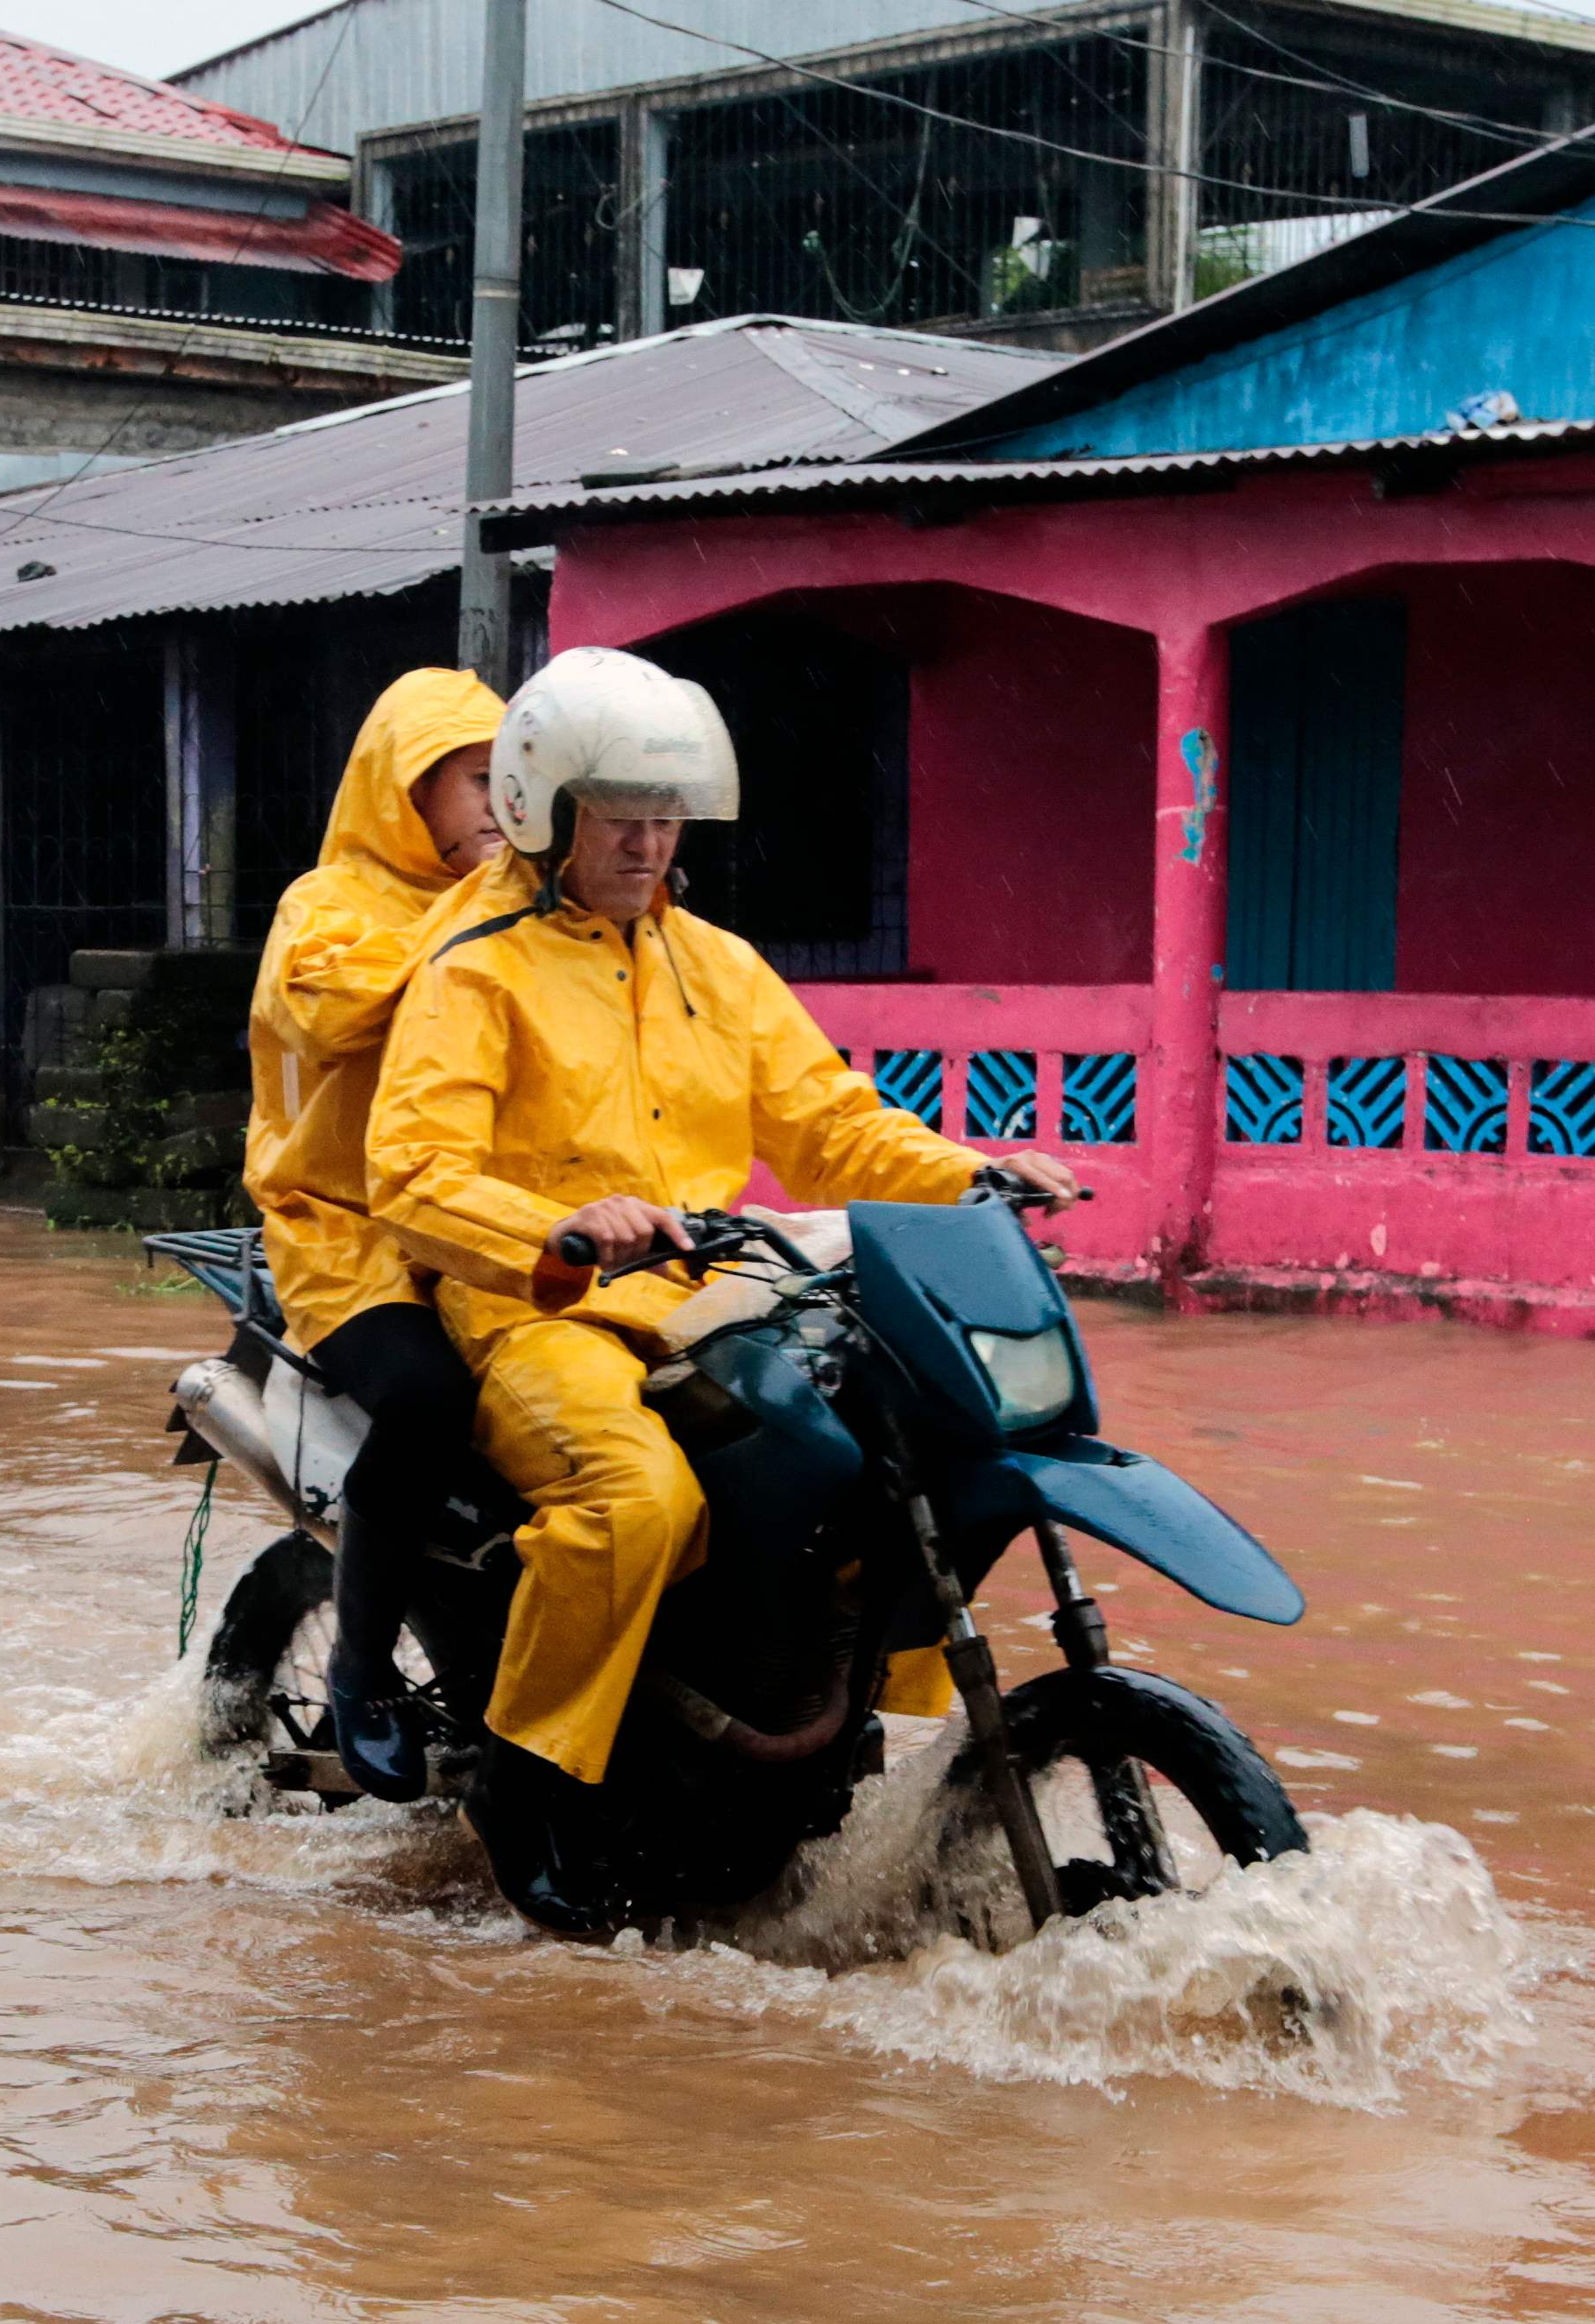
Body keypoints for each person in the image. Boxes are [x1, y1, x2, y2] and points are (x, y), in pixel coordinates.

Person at [364, 648, 1082, 1836]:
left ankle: (817, 1721)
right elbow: (413, 1177)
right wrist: (561, 1224)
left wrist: (971, 1171)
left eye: (665, 819)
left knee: (897, 1444)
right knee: (635, 1505)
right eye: (619, 822)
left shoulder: (718, 965)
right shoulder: (474, 970)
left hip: (722, 1292)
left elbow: (829, 1126)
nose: (648, 847)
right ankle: (526, 1791)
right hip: (541, 1307)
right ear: (545, 815)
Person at [242, 666, 509, 1801]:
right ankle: (360, 1667)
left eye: (517, 781)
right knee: (430, 1401)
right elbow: (333, 1011)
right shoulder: (325, 907)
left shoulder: (523, 912)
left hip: (485, 1222)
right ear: (405, 792)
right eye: (476, 782)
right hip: (343, 1232)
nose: (501, 805)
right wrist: (481, 902)